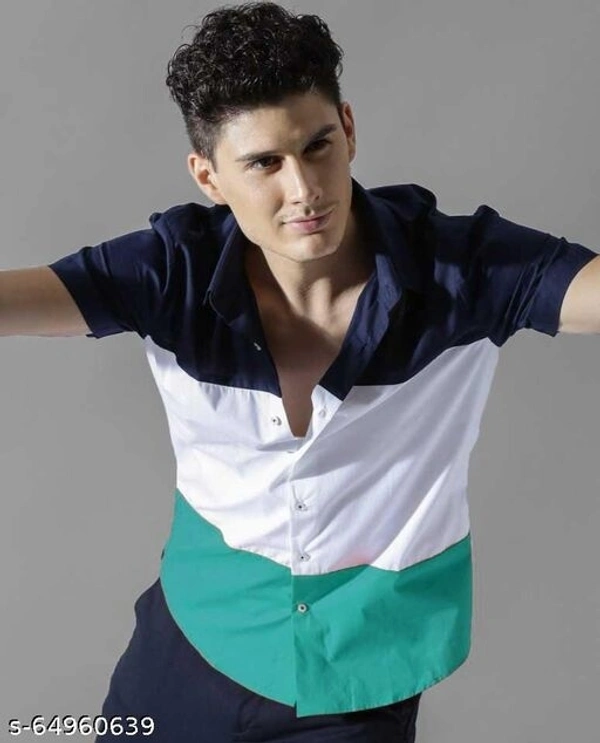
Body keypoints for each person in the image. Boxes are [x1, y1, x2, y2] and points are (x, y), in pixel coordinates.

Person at [2, 2, 599, 741]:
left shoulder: (463, 267)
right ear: (208, 176)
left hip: (360, 677)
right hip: (191, 644)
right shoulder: (172, 270)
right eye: (264, 164)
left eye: (318, 146)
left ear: (348, 128)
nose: (305, 189)